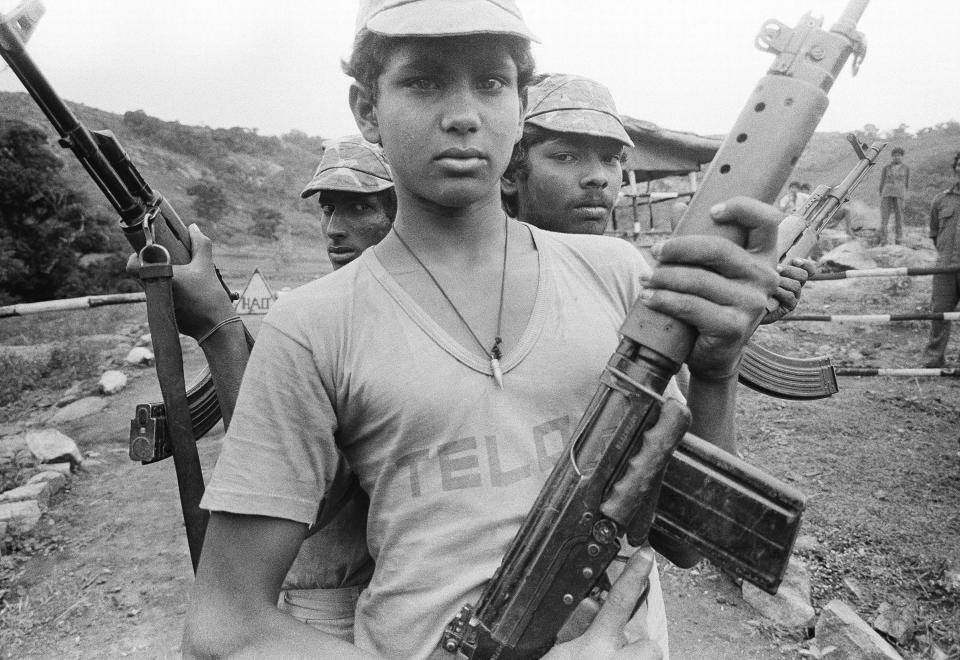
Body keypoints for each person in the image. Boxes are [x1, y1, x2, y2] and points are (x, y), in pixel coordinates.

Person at [182, 2, 780, 659]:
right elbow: (223, 625)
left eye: (491, 83)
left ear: (520, 105)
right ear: (366, 109)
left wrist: (719, 371)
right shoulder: (313, 325)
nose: (464, 114)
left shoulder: (614, 272)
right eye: (423, 82)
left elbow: (686, 539)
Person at [502, 72, 812, 327]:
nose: (598, 176)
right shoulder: (488, 277)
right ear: (509, 173)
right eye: (566, 156)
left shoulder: (625, 272)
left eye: (611, 159)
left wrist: (744, 312)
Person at [301, 135, 397, 269]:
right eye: (328, 208)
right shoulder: (323, 290)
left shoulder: (427, 286)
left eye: (359, 208)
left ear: (398, 214)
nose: (332, 230)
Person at [922, 152, 960, 368]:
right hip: (945, 267)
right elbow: (935, 233)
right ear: (955, 168)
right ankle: (933, 360)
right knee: (939, 314)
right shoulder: (941, 200)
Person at [878, 147, 910, 245]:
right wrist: (881, 193)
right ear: (892, 157)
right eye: (895, 156)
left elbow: (907, 183)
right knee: (884, 218)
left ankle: (898, 239)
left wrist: (904, 194)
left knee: (899, 217)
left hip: (899, 194)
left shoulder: (906, 168)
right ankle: (883, 240)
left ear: (902, 157)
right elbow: (882, 181)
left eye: (899, 156)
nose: (897, 157)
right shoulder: (886, 167)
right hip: (887, 193)